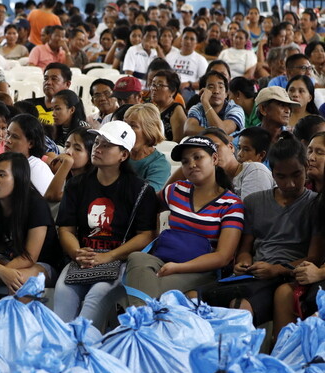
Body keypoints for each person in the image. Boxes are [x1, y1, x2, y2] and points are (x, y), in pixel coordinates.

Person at [199, 133, 317, 331]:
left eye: (296, 174)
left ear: (306, 167)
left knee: (241, 307)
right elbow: (246, 248)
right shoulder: (254, 202)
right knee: (193, 298)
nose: (289, 184)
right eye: (281, 176)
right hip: (255, 275)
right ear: (272, 174)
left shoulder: (315, 204)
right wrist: (244, 262)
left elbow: (314, 256)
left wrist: (278, 269)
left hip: (290, 276)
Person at [54, 121, 158, 330]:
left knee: (97, 293)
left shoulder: (139, 190)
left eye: (107, 145)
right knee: (64, 292)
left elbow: (146, 235)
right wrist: (77, 252)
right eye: (97, 143)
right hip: (81, 259)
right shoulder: (77, 185)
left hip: (119, 261)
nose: (98, 149)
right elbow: (65, 229)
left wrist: (108, 256)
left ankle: (86, 350)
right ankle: (59, 349)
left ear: (123, 155)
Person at [126, 135, 244, 301]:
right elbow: (147, 208)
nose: (192, 165)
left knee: (149, 287)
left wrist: (179, 267)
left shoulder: (231, 204)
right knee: (136, 258)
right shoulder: (176, 190)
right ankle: (144, 318)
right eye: (185, 161)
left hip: (202, 270)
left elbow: (223, 256)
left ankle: (140, 320)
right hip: (163, 259)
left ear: (214, 158)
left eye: (198, 157)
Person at [0, 152, 60, 296]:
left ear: (18, 179)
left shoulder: (36, 205)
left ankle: (16, 319)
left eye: (2, 175)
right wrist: (1, 271)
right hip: (2, 259)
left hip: (38, 265)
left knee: (20, 281)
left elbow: (30, 257)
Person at [272, 132, 325, 338]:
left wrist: (319, 273)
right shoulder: (318, 199)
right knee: (284, 292)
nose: (310, 157)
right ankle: (282, 357)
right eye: (309, 150)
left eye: (319, 152)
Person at [0, 113, 53, 200]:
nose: (7, 140)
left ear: (31, 143)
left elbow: (42, 204)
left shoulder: (37, 167)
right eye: (8, 134)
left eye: (15, 137)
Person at [201, 128, 274, 200]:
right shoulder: (212, 183)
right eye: (205, 152)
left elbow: (253, 210)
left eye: (216, 147)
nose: (212, 155)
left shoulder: (255, 170)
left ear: (231, 147)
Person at [122, 104, 169, 192]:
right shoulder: (118, 153)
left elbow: (145, 197)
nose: (126, 130)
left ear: (149, 131)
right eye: (125, 124)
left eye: (133, 126)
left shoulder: (160, 165)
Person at [184, 70, 245, 136]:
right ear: (202, 91)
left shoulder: (235, 109)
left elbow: (223, 131)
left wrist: (206, 103)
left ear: (226, 94)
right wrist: (205, 102)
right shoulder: (197, 108)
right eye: (211, 87)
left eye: (221, 87)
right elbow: (188, 129)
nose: (216, 91)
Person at [45, 126, 94, 203]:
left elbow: (51, 196)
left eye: (77, 149)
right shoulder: (69, 178)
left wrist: (67, 163)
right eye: (67, 146)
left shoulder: (90, 185)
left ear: (91, 155)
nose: (68, 152)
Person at [149, 70, 186, 142]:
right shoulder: (152, 107)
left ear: (173, 91)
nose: (154, 88)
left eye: (160, 85)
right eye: (153, 85)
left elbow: (177, 142)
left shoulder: (176, 110)